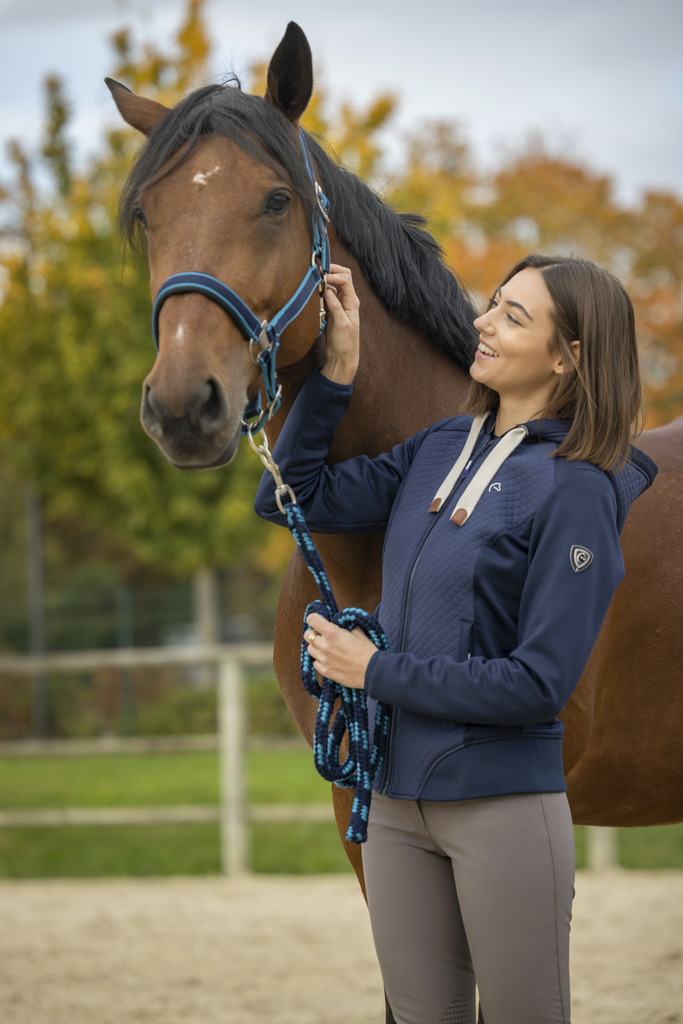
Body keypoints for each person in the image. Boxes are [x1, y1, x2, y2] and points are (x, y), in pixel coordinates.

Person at [254, 254, 657, 1024]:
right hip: (395, 807)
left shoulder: (579, 487)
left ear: (567, 356)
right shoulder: (439, 446)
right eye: (492, 303)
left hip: (500, 805)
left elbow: (539, 684)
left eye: (513, 316)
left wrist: (374, 672)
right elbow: (292, 498)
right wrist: (335, 376)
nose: (482, 321)